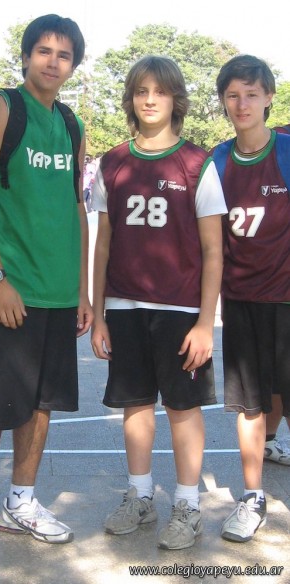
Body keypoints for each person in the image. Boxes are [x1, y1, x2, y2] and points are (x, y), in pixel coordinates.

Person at [0, 14, 92, 557]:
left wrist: (83, 291)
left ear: (73, 65)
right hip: (10, 286)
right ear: (26, 56)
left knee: (41, 404)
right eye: (44, 51)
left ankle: (20, 503)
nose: (53, 62)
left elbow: (77, 207)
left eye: (64, 55)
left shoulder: (72, 123)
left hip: (59, 289)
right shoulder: (2, 107)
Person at [91, 56, 226, 551]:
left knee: (183, 407)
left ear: (175, 99)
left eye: (161, 91)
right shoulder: (113, 162)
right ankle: (140, 495)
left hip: (180, 309)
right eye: (141, 91)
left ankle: (188, 504)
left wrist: (205, 323)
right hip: (124, 306)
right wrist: (99, 313)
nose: (150, 99)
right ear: (131, 98)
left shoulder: (197, 163)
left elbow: (213, 250)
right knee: (136, 403)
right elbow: (103, 244)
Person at [213, 54, 290, 542]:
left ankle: (274, 446)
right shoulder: (217, 161)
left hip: (286, 300)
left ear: (268, 98)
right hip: (240, 300)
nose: (242, 104)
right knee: (249, 404)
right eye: (233, 95)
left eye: (252, 94)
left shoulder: (286, 151)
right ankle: (252, 496)